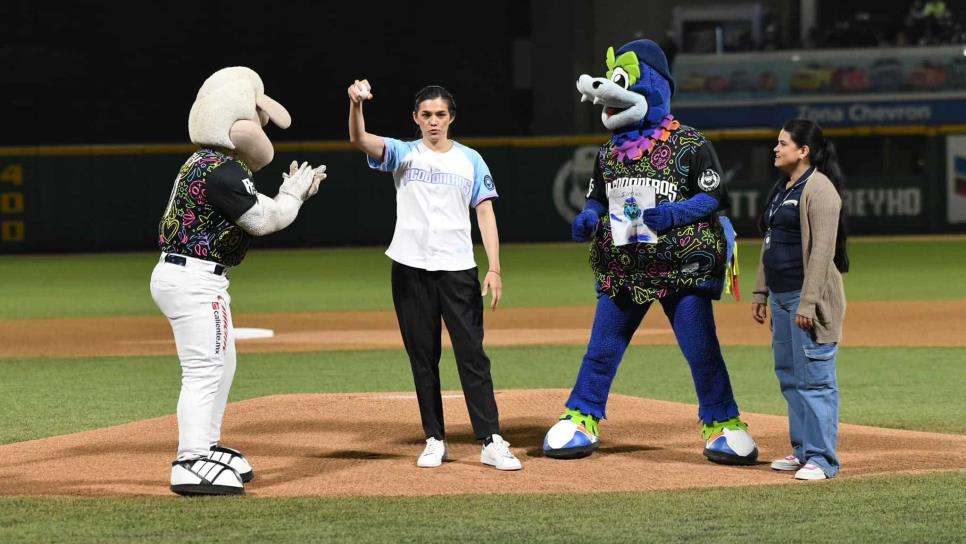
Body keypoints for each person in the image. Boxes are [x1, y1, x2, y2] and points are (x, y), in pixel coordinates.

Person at [542, 39, 758, 466]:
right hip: (626, 267)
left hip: (682, 267)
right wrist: (587, 218)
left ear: (656, 86)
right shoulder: (608, 152)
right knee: (602, 346)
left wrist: (675, 214)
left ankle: (723, 424)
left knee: (701, 350)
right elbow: (596, 200)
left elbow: (714, 197)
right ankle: (581, 417)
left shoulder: (691, 144)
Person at [151, 66, 326, 495]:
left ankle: (206, 446)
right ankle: (190, 459)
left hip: (190, 275)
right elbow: (262, 220)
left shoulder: (206, 163)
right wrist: (293, 196)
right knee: (204, 370)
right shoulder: (221, 169)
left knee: (220, 364)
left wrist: (287, 197)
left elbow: (248, 207)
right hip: (194, 279)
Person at [346, 79, 522, 471]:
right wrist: (356, 104)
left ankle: (490, 439)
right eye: (426, 115)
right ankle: (434, 438)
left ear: (451, 117)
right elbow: (359, 139)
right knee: (423, 358)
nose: (433, 122)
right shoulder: (404, 154)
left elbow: (486, 213)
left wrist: (494, 267)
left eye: (440, 114)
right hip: (410, 270)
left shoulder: (471, 160)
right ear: (416, 118)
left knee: (472, 356)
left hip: (459, 271)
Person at [752, 118, 848, 481]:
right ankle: (804, 450)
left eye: (783, 143)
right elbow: (770, 243)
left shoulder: (819, 189)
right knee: (791, 377)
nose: (776, 149)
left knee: (815, 379)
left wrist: (808, 304)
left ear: (803, 151)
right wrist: (761, 292)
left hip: (808, 300)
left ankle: (823, 459)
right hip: (780, 297)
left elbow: (822, 252)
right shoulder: (783, 188)